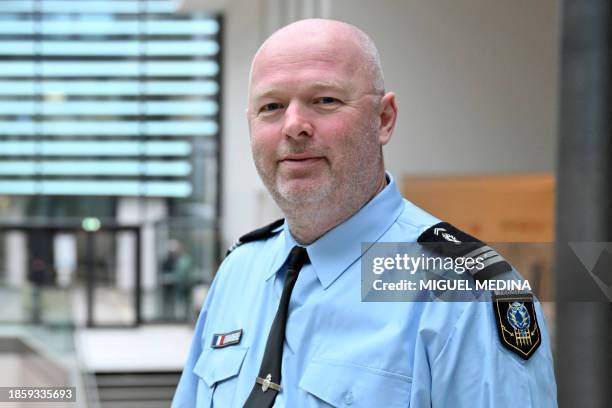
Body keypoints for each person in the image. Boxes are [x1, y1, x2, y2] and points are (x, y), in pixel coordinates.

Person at [173, 19, 557, 407]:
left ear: (383, 119)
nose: (294, 126)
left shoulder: (468, 297)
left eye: (325, 100)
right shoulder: (239, 271)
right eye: (271, 107)